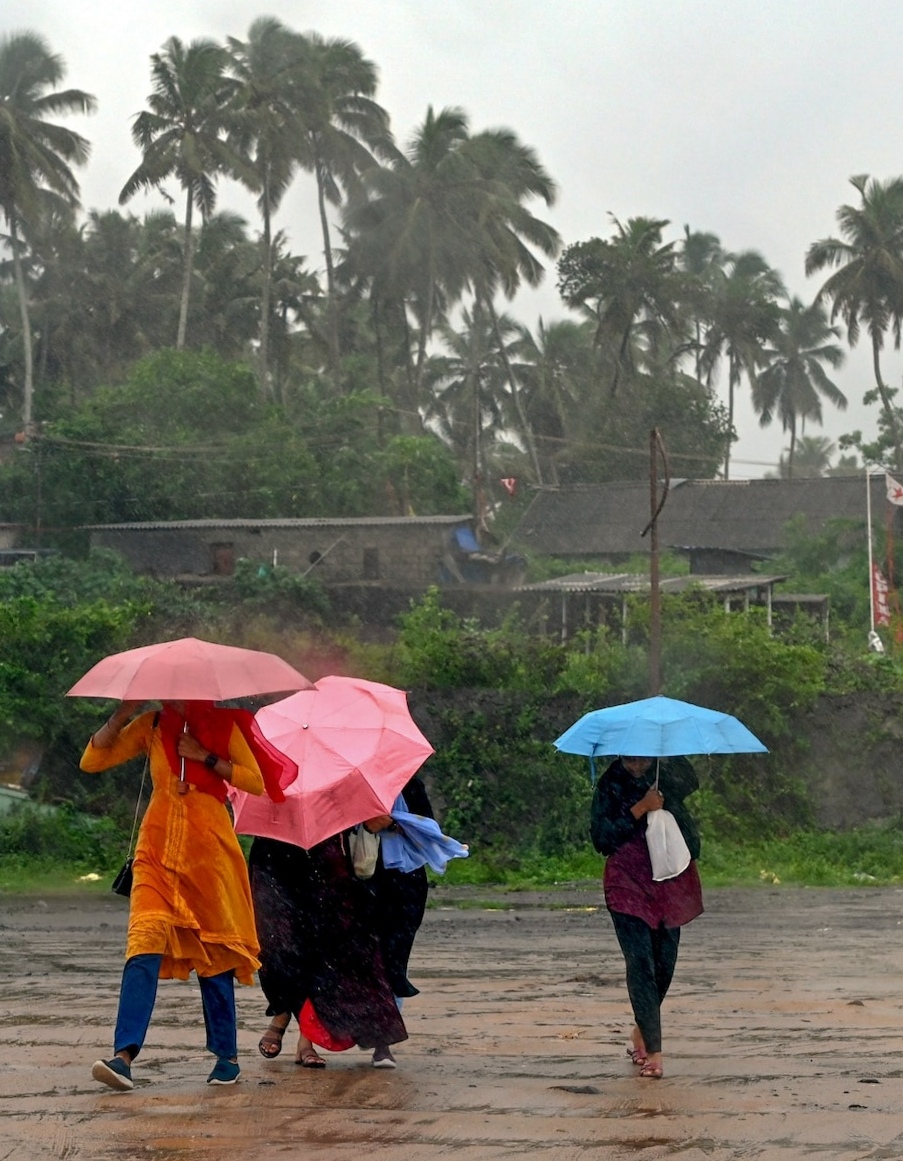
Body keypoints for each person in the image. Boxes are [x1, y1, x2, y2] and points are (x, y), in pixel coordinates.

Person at [82, 698, 291, 1091]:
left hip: (208, 853)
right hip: (156, 849)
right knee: (142, 945)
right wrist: (122, 714)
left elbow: (253, 780)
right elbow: (92, 762)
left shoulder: (227, 725)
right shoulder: (153, 723)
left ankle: (226, 1058)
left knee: (213, 954)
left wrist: (204, 757)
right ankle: (123, 1056)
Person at [249, 826, 407, 1070]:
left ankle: (305, 1039)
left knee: (327, 949)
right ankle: (282, 1012)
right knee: (279, 951)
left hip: (324, 856)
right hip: (273, 858)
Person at [590, 754, 702, 1080]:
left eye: (642, 756)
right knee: (640, 963)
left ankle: (641, 1028)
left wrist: (666, 752)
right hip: (627, 883)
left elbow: (690, 782)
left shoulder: (664, 771)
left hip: (670, 881)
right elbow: (602, 837)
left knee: (665, 962)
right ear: (621, 753)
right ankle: (655, 1052)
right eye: (630, 757)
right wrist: (640, 808)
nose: (637, 763)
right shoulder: (610, 784)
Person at [362, 775, 435, 1068]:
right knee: (366, 959)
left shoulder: (411, 785)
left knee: (394, 961)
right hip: (362, 881)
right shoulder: (352, 786)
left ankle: (384, 1040)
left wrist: (391, 824)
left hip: (406, 884)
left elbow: (428, 832)